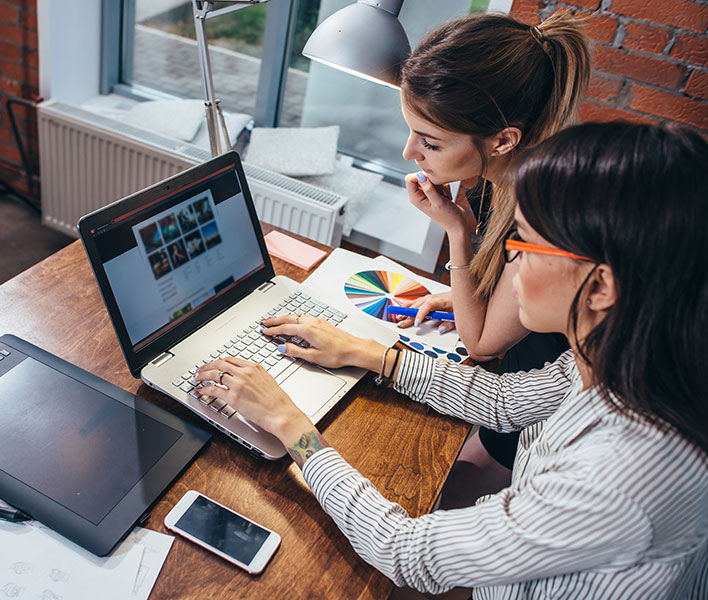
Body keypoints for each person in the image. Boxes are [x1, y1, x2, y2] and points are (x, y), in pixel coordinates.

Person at [194, 122, 708, 597]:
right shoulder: (623, 356)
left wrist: (292, 426)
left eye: (525, 243)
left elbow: (408, 553)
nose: (509, 259)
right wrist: (369, 353)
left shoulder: (619, 478)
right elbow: (508, 401)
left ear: (600, 287)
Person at [395, 12, 590, 480]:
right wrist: (469, 292)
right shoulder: (490, 179)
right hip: (513, 390)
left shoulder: (543, 214)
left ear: (503, 140)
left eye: (431, 143)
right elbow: (501, 285)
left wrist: (457, 233)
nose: (409, 154)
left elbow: (481, 343)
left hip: (532, 415)